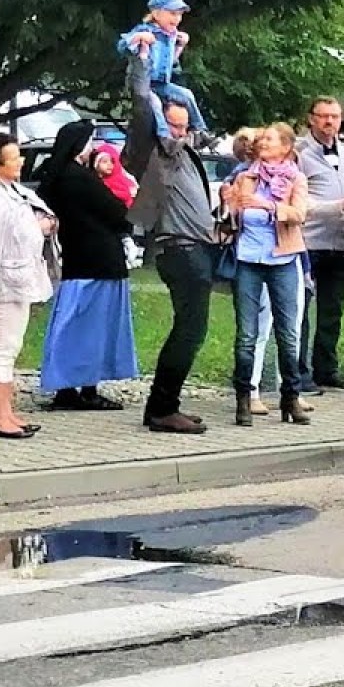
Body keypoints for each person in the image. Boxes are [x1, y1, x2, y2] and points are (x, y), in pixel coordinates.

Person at [123, 58, 212, 435]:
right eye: (172, 125)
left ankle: (166, 405)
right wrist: (140, 59)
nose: (179, 131)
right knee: (189, 329)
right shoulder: (154, 153)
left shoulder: (185, 153)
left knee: (192, 329)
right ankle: (161, 408)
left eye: (183, 125)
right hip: (179, 250)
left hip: (197, 248)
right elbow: (143, 103)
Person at [37, 120, 141, 410]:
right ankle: (88, 388)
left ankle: (65, 386)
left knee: (72, 324)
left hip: (75, 257)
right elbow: (119, 214)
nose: (92, 148)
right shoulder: (81, 178)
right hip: (100, 259)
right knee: (95, 328)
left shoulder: (54, 177)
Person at [226, 123, 312, 426]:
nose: (263, 143)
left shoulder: (295, 178)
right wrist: (230, 205)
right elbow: (232, 219)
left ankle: (290, 397)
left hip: (283, 259)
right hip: (249, 259)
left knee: (288, 334)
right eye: (261, 139)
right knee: (246, 335)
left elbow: (299, 214)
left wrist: (269, 205)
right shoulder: (244, 177)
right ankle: (244, 398)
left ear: (286, 147)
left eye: (270, 139)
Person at [0, 132, 56, 439]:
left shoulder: (13, 190)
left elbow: (38, 216)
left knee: (12, 346)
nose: (21, 161)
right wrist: (38, 227)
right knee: (3, 348)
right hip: (5, 282)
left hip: (19, 278)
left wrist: (45, 224)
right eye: (13, 158)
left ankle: (7, 412)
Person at [296, 97, 344, 394]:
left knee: (332, 310)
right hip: (308, 241)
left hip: (340, 242)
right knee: (300, 309)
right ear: (311, 119)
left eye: (335, 117)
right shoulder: (300, 153)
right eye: (323, 116)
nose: (329, 122)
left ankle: (326, 368)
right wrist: (341, 204)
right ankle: (299, 373)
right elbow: (301, 203)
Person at [117, 0, 208, 136]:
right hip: (144, 84)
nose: (177, 19)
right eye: (172, 13)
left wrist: (180, 46)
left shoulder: (172, 36)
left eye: (180, 15)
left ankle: (200, 130)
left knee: (187, 94)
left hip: (162, 84)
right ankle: (164, 136)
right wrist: (139, 37)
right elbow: (122, 46)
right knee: (156, 105)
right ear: (156, 14)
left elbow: (172, 65)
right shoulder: (145, 29)